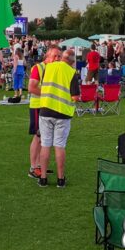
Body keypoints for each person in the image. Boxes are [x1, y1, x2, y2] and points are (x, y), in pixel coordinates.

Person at [36, 48, 79, 188]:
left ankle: (43, 178)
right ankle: (61, 179)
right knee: (59, 146)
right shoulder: (72, 73)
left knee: (45, 145)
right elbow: (75, 97)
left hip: (46, 109)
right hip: (63, 114)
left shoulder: (48, 67)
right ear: (72, 62)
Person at [27, 48, 60, 180]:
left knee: (45, 137)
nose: (58, 59)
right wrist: (48, 95)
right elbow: (31, 87)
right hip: (37, 106)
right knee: (38, 136)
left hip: (47, 106)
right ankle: (33, 167)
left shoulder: (54, 69)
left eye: (59, 56)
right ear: (47, 56)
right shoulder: (38, 68)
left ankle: (40, 165)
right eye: (55, 56)